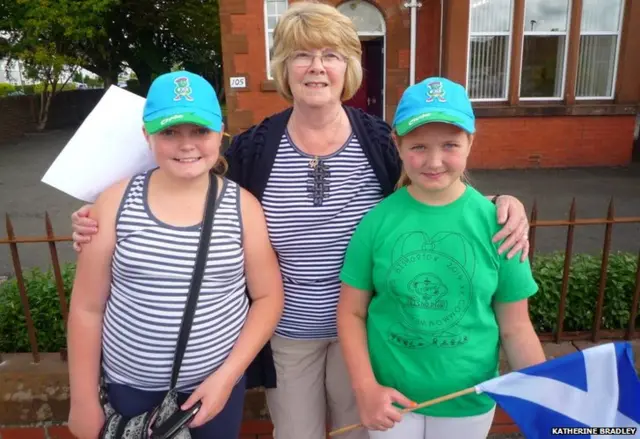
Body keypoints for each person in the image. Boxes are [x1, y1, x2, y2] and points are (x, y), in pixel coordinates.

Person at [69, 3, 532, 439]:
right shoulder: (253, 148)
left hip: (369, 333)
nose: (316, 67)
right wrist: (101, 215)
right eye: (301, 55)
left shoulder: (377, 142)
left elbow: (432, 189)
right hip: (288, 333)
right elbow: (193, 182)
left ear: (348, 67)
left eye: (330, 55)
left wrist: (499, 202)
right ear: (283, 68)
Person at [66, 70, 284, 439]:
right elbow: (87, 307)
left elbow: (268, 297)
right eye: (169, 132)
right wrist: (83, 399)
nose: (186, 145)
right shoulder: (115, 203)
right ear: (147, 136)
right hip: (129, 388)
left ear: (220, 132)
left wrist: (226, 378)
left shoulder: (243, 208)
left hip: (212, 390)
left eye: (200, 131)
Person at [337, 76, 546, 439]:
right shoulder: (377, 221)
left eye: (450, 144)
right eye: (418, 146)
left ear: (470, 143)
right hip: (391, 401)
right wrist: (365, 388)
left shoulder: (500, 226)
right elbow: (351, 311)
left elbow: (515, 326)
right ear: (397, 145)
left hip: (468, 401)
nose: (434, 161)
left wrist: (547, 395)